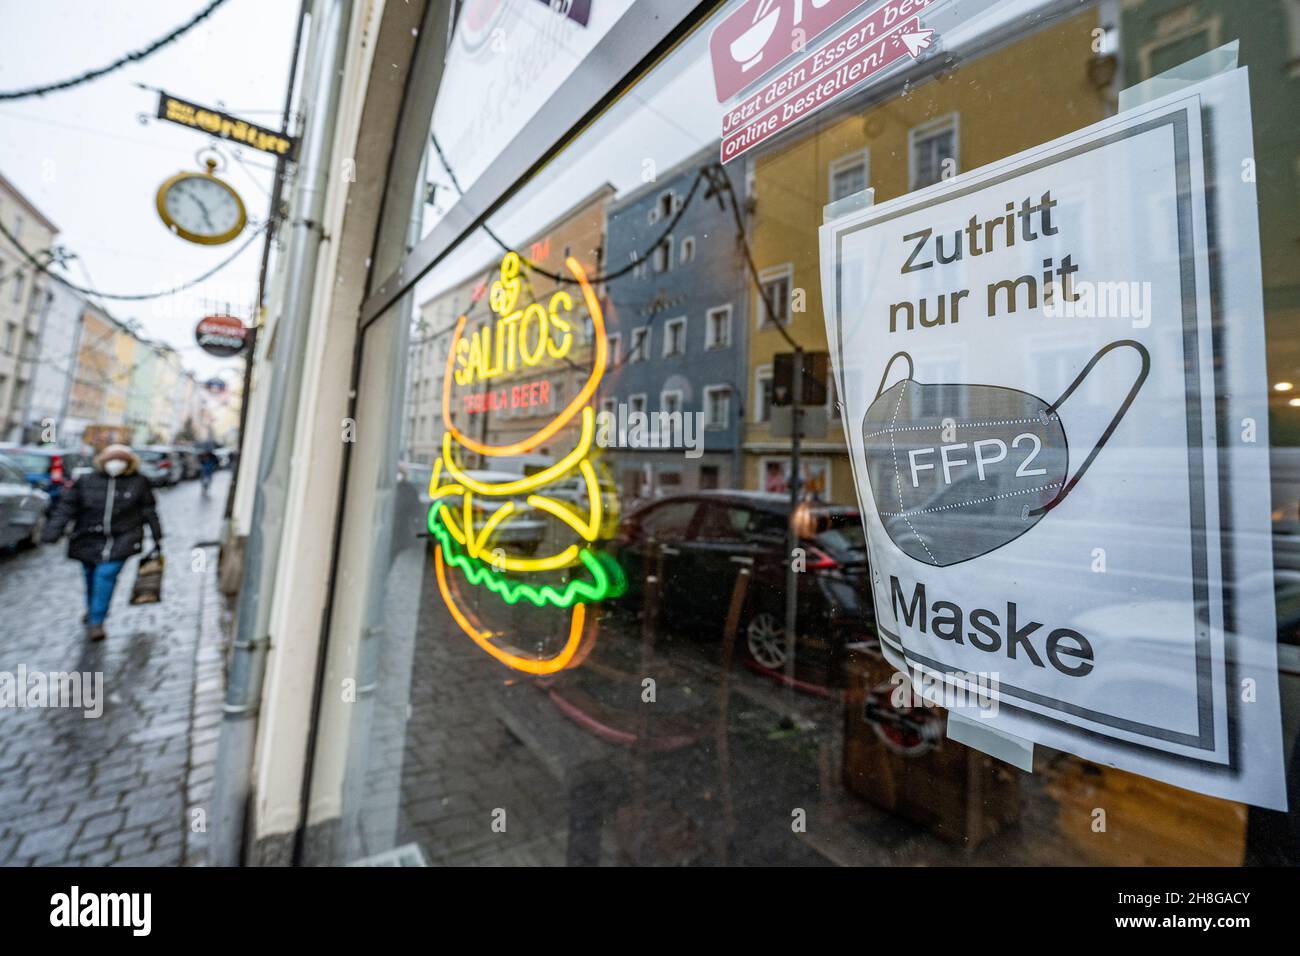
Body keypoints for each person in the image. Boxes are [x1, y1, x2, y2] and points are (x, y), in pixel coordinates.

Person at [43, 444, 163, 641]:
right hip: (87, 538)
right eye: (112, 459)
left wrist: (157, 536)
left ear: (129, 463)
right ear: (102, 461)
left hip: (123, 538)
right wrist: (53, 531)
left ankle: (97, 620)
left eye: (121, 460)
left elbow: (149, 510)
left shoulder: (139, 482)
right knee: (90, 577)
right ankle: (93, 610)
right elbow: (67, 506)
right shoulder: (85, 480)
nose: (116, 464)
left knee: (105, 576)